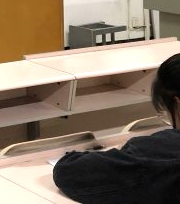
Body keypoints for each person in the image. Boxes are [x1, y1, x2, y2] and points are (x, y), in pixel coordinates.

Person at [52, 52, 180, 203]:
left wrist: (126, 153)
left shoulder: (153, 153)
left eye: (166, 110)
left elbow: (68, 172)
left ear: (177, 103)